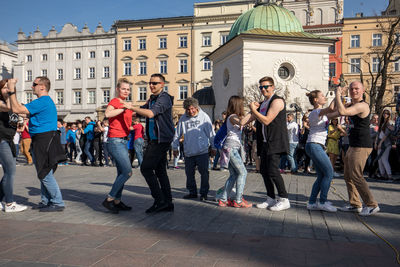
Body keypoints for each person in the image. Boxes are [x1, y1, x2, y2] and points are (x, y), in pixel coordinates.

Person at [8, 77, 66, 212]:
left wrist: (11, 90)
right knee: (45, 171)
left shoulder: (43, 101)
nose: (31, 86)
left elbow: (16, 109)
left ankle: (58, 202)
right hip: (43, 138)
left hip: (44, 139)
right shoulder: (43, 102)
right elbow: (21, 111)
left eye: (34, 84)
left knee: (44, 172)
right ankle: (47, 201)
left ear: (42, 87)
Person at [126, 74, 174, 213]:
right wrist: (124, 111)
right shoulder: (152, 99)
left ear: (162, 84)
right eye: (150, 83)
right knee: (160, 171)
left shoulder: (164, 98)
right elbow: (141, 112)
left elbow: (151, 114)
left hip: (161, 139)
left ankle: (159, 201)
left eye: (155, 83)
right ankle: (168, 202)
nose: (152, 85)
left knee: (146, 168)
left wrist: (131, 107)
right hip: (155, 139)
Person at [245, 76, 291, 211]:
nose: (263, 89)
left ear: (272, 87)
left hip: (276, 141)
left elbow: (266, 120)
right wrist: (234, 121)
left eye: (266, 86)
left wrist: (253, 110)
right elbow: (247, 119)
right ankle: (270, 198)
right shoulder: (262, 104)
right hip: (264, 142)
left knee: (272, 170)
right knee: (264, 171)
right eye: (261, 87)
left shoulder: (277, 101)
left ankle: (284, 199)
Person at [335, 82, 379, 216]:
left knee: (356, 175)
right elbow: (335, 111)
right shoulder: (351, 104)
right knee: (348, 175)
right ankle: (355, 204)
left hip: (362, 145)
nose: (354, 91)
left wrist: (337, 94)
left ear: (363, 91)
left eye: (356, 89)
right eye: (351, 89)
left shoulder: (362, 105)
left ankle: (372, 205)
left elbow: (342, 111)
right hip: (353, 144)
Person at [172, 97, 216, 201]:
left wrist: (214, 147)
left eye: (192, 109)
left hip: (202, 151)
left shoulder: (204, 117)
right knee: (189, 174)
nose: (191, 111)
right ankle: (192, 192)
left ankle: (204, 193)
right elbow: (177, 134)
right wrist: (175, 147)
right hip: (189, 152)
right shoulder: (183, 118)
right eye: (188, 109)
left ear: (196, 108)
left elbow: (211, 133)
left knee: (204, 173)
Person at [101, 78, 134, 214]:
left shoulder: (125, 104)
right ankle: (109, 199)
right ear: (117, 89)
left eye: (128, 89)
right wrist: (123, 108)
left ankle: (117, 201)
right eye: (123, 89)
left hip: (123, 140)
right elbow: (107, 114)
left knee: (121, 172)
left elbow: (122, 121)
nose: (126, 91)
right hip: (115, 141)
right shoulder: (116, 102)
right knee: (127, 172)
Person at [304, 90, 337, 212]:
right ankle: (322, 202)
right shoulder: (315, 112)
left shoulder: (322, 114)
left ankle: (312, 202)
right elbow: (331, 108)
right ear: (316, 100)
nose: (325, 97)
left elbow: (336, 112)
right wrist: (337, 93)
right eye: (322, 96)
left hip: (315, 145)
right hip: (314, 145)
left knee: (321, 175)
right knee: (329, 173)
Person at [217, 96, 251, 208]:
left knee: (234, 175)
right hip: (231, 148)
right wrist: (253, 111)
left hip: (231, 148)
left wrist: (254, 114)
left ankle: (223, 199)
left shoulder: (233, 117)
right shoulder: (232, 117)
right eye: (242, 104)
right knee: (243, 172)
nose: (243, 106)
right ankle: (238, 200)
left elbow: (244, 121)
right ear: (238, 105)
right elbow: (242, 122)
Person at [0, 79, 27, 212]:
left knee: (8, 172)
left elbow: (16, 118)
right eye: (4, 88)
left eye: (8, 88)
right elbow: (10, 107)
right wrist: (11, 89)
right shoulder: (1, 103)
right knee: (10, 171)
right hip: (1, 140)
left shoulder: (13, 103)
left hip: (9, 140)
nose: (6, 90)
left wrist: (21, 121)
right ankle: (9, 204)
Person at [375, 109, 393, 180]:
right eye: (384, 113)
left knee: (384, 159)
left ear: (389, 115)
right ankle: (383, 175)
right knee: (380, 160)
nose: (385, 115)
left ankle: (389, 175)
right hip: (379, 142)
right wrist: (376, 142)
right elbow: (378, 133)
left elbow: (386, 134)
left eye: (387, 113)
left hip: (386, 143)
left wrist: (380, 143)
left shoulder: (389, 123)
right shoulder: (382, 122)